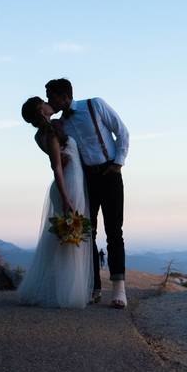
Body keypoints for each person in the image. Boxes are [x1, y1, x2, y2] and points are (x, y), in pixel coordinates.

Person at [45, 78, 130, 309]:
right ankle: (94, 288)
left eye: (50, 96)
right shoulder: (61, 124)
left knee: (114, 231)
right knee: (87, 232)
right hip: (86, 179)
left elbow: (122, 132)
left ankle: (119, 290)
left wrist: (118, 163)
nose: (48, 100)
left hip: (109, 172)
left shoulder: (95, 105)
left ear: (64, 96)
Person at [16, 96, 93, 308]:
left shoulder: (43, 133)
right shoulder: (50, 134)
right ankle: (66, 294)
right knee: (68, 237)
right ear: (42, 111)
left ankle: (57, 289)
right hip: (68, 184)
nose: (50, 104)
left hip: (71, 181)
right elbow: (57, 167)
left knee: (64, 238)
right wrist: (66, 197)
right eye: (45, 103)